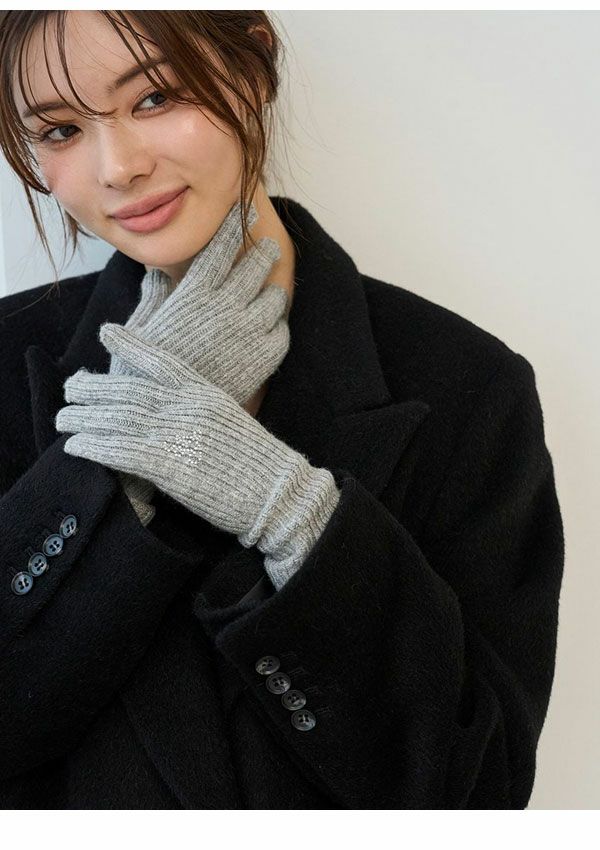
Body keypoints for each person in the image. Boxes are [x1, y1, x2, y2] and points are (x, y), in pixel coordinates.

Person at [0, 10, 564, 810]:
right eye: (59, 130)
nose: (118, 167)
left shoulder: (469, 387)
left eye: (155, 96)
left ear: (254, 70)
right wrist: (113, 462)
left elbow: (477, 793)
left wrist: (293, 512)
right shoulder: (7, 359)